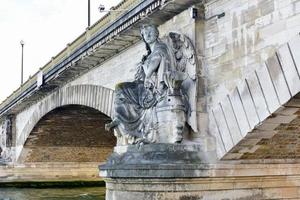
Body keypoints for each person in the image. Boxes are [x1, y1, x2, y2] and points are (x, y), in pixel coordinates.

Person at [105, 24, 175, 144]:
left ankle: (123, 119)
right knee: (121, 89)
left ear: (157, 33)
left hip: (153, 89)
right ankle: (120, 117)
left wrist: (145, 67)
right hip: (145, 86)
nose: (147, 35)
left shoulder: (160, 48)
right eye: (144, 33)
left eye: (150, 32)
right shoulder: (150, 52)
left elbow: (150, 69)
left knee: (121, 88)